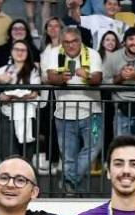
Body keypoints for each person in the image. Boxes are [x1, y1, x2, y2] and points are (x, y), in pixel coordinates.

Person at [43, 28, 104, 196]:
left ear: (80, 41)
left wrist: (87, 76)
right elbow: (50, 77)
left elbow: (98, 79)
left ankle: (69, 180)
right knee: (68, 156)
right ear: (62, 43)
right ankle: (74, 193)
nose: (70, 45)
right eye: (66, 42)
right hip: (63, 113)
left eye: (74, 41)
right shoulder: (55, 53)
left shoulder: (92, 54)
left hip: (92, 113)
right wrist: (61, 78)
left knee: (94, 148)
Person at [0, 40, 45, 161]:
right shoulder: (6, 69)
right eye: (17, 49)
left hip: (28, 115)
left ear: (28, 53)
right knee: (7, 154)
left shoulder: (33, 70)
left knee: (26, 155)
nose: (20, 52)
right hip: (7, 114)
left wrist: (10, 97)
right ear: (11, 52)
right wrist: (0, 78)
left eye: (23, 50)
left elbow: (33, 93)